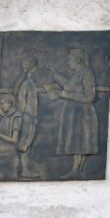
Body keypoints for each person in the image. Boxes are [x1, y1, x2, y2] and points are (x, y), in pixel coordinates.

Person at [45, 48, 99, 178]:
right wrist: (55, 74)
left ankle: (77, 170)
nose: (68, 62)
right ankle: (75, 170)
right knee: (76, 141)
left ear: (78, 60)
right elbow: (68, 85)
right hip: (75, 114)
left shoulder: (87, 73)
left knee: (80, 142)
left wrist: (67, 95)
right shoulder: (78, 74)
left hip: (83, 114)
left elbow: (90, 97)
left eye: (70, 60)